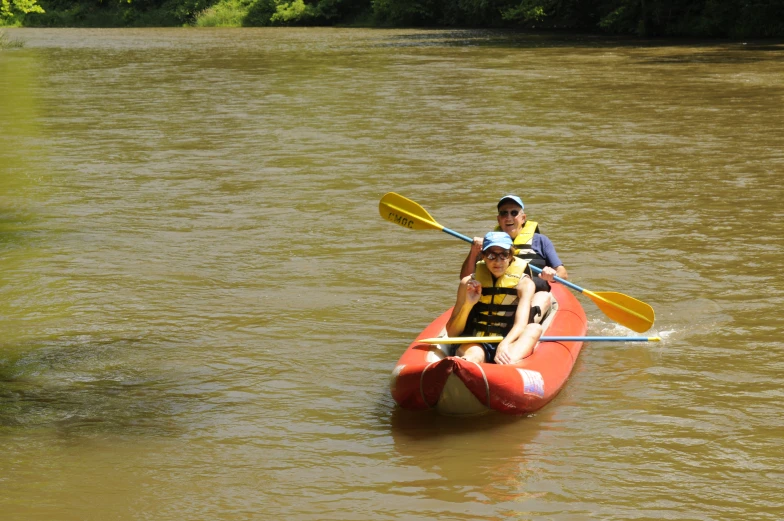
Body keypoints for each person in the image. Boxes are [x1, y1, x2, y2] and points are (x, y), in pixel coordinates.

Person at [446, 232, 544, 365]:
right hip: (476, 341)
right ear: (483, 257)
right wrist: (469, 304)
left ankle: (507, 370)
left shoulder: (525, 284)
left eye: (503, 255)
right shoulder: (467, 283)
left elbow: (520, 325)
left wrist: (504, 344)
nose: (497, 261)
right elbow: (452, 333)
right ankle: (466, 365)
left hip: (509, 341)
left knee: (534, 329)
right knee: (475, 354)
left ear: (510, 256)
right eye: (491, 255)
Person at [460, 195, 568, 290]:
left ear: (523, 218)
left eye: (514, 213)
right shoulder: (489, 243)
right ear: (498, 219)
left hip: (532, 294)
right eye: (504, 213)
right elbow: (465, 278)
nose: (508, 217)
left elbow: (563, 274)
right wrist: (473, 252)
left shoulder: (541, 241)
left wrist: (551, 275)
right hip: (498, 296)